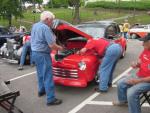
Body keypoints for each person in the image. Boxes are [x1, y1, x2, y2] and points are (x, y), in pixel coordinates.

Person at [31, 11, 63, 106]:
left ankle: (41, 91)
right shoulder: (45, 28)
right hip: (43, 54)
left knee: (40, 74)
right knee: (48, 76)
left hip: (35, 53)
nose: (52, 22)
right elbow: (52, 45)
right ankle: (51, 99)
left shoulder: (35, 25)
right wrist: (60, 48)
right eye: (52, 20)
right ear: (47, 19)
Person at [113, 33, 150, 113]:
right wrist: (136, 64)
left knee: (131, 92)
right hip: (139, 75)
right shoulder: (146, 50)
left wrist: (138, 81)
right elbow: (141, 61)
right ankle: (123, 101)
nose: (142, 44)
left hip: (147, 81)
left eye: (144, 42)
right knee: (120, 83)